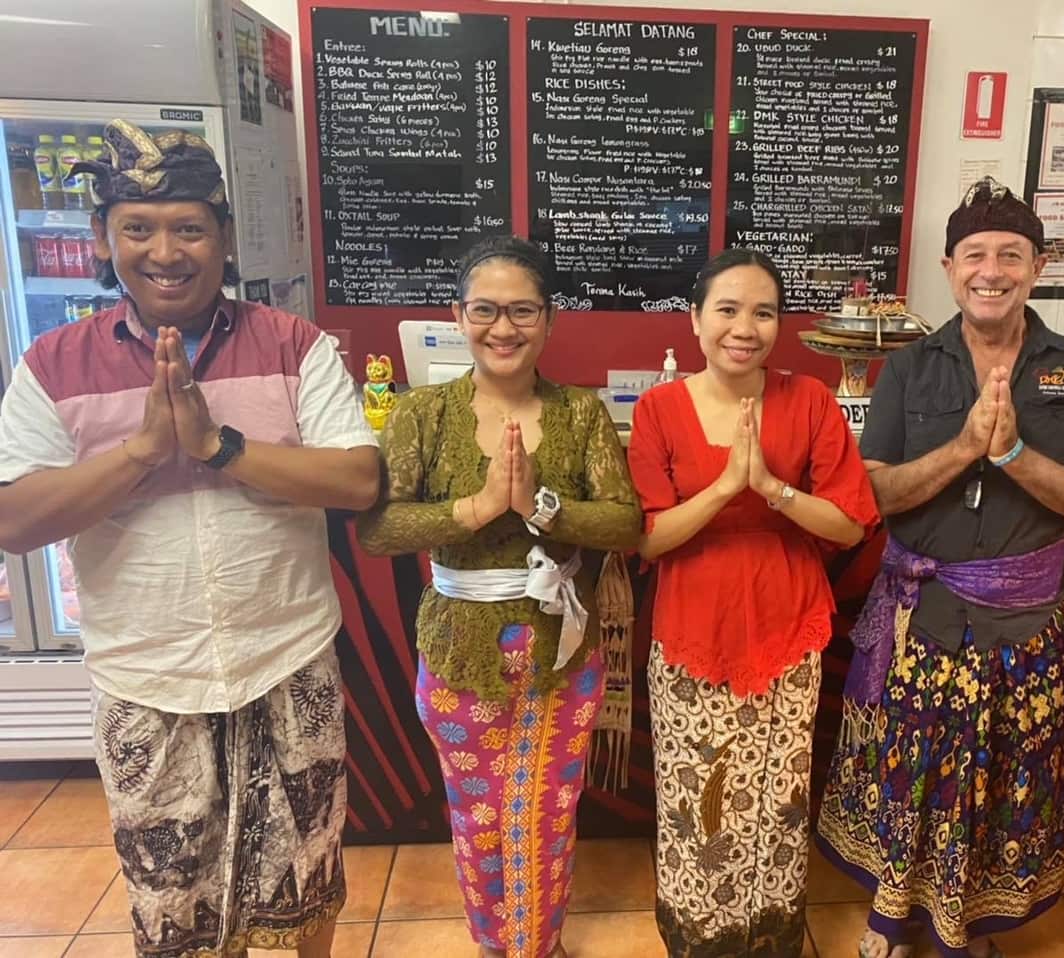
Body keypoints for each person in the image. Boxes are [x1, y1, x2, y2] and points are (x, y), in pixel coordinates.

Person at [0, 119, 380, 958]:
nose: (165, 251)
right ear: (104, 237)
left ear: (225, 238)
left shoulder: (296, 346)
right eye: (139, 227)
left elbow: (358, 480)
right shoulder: (52, 364)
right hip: (147, 677)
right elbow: (15, 521)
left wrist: (219, 447)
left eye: (189, 227)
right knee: (174, 910)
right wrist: (141, 452)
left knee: (307, 886)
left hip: (286, 660)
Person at [816, 178, 1064, 958]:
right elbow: (874, 496)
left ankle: (968, 921)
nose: (992, 271)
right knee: (907, 773)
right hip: (921, 619)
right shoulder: (910, 368)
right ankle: (891, 916)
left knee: (1000, 780)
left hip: (1026, 625)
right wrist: (963, 448)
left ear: (1038, 266)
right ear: (949, 267)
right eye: (975, 255)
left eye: (1011, 255)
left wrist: (1015, 453)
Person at [356, 235, 642, 958]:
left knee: (548, 812)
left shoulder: (580, 412)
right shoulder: (424, 413)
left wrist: (542, 505)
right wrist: (477, 508)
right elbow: (379, 529)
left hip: (562, 652)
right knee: (479, 817)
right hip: (459, 652)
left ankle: (540, 944)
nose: (503, 327)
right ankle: (496, 944)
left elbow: (625, 522)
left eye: (522, 310)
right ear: (458, 316)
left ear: (549, 319)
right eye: (484, 309)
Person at [627, 248, 880, 958]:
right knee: (698, 801)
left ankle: (771, 937)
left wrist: (772, 488)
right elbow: (648, 538)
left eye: (764, 313)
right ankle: (701, 937)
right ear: (695, 319)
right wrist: (723, 488)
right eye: (728, 310)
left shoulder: (812, 400)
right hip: (693, 631)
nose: (745, 328)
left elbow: (849, 524)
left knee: (778, 798)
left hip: (787, 625)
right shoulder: (658, 409)